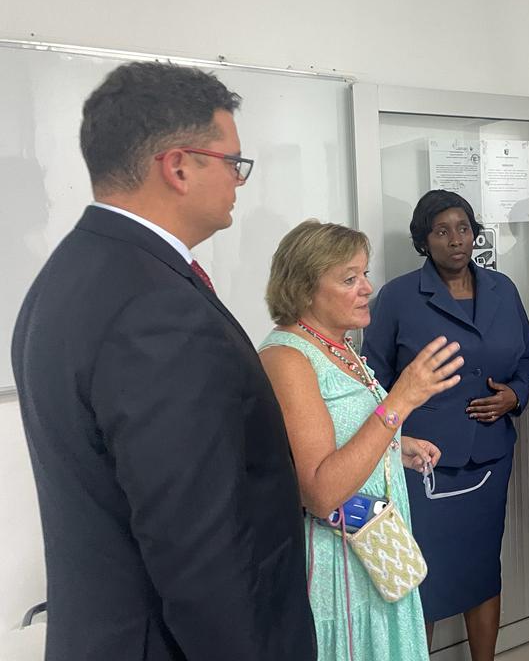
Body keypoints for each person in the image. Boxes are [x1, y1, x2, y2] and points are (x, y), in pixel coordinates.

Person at [11, 61, 317, 660]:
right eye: (232, 162)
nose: (239, 181)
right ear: (178, 166)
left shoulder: (67, 277)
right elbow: (200, 550)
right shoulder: (156, 310)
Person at [259, 220, 462, 660]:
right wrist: (401, 400)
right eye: (349, 279)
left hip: (375, 552)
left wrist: (398, 447)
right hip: (338, 569)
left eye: (364, 274)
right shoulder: (287, 358)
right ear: (304, 289)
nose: (367, 288)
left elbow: (343, 432)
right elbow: (320, 491)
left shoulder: (341, 346)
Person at [362, 190, 529, 661]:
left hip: (490, 460)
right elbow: (373, 379)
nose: (456, 240)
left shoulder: (503, 289)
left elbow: (527, 358)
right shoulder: (398, 297)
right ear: (424, 241)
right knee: (422, 574)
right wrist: (394, 438)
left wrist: (515, 395)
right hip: (425, 463)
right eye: (442, 231)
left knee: (482, 570)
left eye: (463, 228)